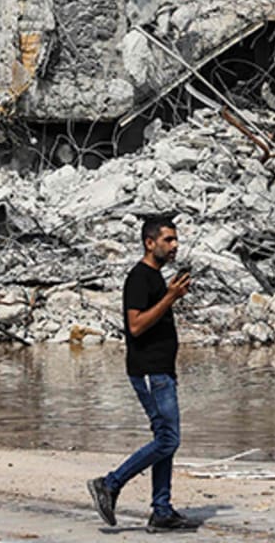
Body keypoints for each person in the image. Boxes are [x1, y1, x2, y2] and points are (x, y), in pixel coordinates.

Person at [88, 214, 201, 531]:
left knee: (164, 438)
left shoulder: (155, 278)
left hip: (162, 370)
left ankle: (162, 510)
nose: (174, 246)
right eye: (168, 240)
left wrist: (170, 296)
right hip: (150, 372)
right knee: (168, 439)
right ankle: (110, 484)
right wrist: (169, 298)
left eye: (176, 239)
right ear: (150, 243)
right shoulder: (139, 278)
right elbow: (136, 326)